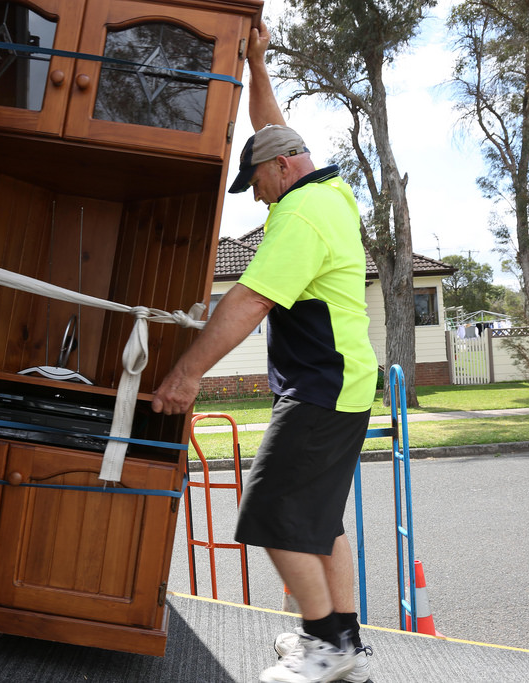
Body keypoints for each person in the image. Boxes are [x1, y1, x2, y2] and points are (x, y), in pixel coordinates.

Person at [152, 19, 378, 683]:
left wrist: (186, 374)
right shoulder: (325, 190)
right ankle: (346, 643)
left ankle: (326, 647)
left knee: (273, 513)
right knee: (318, 522)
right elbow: (271, 125)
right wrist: (256, 62)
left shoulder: (300, 216)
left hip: (320, 386)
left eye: (255, 181)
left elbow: (249, 301)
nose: (255, 195)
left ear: (282, 168)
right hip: (344, 384)